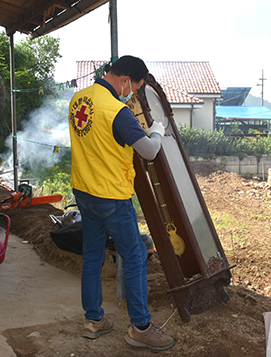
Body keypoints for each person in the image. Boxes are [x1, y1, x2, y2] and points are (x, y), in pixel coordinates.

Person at [68, 55, 174, 351]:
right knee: (136, 256)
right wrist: (157, 131)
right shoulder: (118, 112)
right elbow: (150, 151)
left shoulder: (78, 100)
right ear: (126, 80)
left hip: (84, 191)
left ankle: (93, 320)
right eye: (136, 88)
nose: (133, 94)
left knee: (92, 256)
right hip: (112, 196)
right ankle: (140, 327)